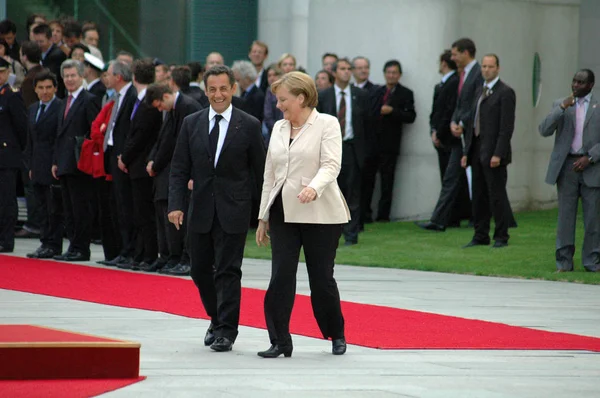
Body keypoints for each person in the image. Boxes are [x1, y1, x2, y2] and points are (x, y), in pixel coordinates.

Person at [168, 65, 266, 352]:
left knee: (228, 271)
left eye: (223, 88)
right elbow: (178, 168)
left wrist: (265, 213)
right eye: (212, 89)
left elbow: (260, 172)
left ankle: (226, 330)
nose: (218, 94)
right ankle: (216, 316)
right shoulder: (192, 123)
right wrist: (175, 204)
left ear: (233, 89)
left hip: (234, 210)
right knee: (199, 270)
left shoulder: (248, 124)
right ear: (205, 90)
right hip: (199, 209)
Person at [256, 71, 350, 358]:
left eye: (283, 99)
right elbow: (269, 175)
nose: (278, 105)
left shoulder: (327, 124)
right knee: (280, 277)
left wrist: (314, 188)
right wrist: (262, 217)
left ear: (302, 97)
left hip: (320, 213)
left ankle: (336, 333)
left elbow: (332, 165)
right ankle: (280, 340)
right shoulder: (278, 129)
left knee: (321, 279)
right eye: (277, 100)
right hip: (284, 212)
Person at [539, 69, 600, 272]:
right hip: (567, 168)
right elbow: (544, 129)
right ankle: (563, 262)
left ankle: (592, 261)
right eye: (574, 81)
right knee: (565, 217)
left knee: (593, 218)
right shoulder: (561, 104)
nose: (575, 85)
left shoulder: (597, 106)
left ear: (590, 85)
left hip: (592, 166)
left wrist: (590, 157)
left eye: (581, 82)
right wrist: (561, 108)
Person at [144, 83, 202, 274]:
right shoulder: (175, 110)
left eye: (159, 105)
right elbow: (164, 139)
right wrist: (153, 160)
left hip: (189, 173)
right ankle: (173, 256)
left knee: (183, 218)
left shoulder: (188, 107)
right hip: (174, 170)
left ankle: (187, 258)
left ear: (166, 96)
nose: (160, 109)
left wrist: (193, 173)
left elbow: (194, 144)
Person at [461, 54, 516, 248]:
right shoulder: (479, 90)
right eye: (483, 66)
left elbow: (506, 127)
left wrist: (498, 154)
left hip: (493, 152)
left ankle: (501, 235)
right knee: (479, 196)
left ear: (498, 68)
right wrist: (467, 152)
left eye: (490, 67)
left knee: (496, 195)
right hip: (477, 151)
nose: (486, 70)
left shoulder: (505, 92)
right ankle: (480, 234)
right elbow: (472, 123)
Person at [317, 58, 370, 245]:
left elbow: (368, 126)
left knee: (353, 194)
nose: (346, 72)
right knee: (330, 191)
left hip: (352, 148)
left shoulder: (361, 95)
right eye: (342, 68)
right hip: (330, 149)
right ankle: (330, 233)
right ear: (334, 72)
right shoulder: (324, 96)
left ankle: (351, 235)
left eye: (349, 69)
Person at [417, 49, 471, 231]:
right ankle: (449, 217)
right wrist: (434, 130)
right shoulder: (445, 84)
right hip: (446, 137)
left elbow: (446, 111)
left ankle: (446, 218)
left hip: (451, 138)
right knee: (451, 178)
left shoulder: (454, 82)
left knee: (453, 178)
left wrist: (438, 133)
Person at [51, 59, 100, 261]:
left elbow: (94, 132)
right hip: (64, 162)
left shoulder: (89, 99)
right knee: (69, 208)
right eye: (66, 76)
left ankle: (81, 247)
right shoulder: (63, 102)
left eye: (73, 75)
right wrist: (55, 161)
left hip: (80, 162)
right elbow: (58, 134)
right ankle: (72, 245)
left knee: (81, 207)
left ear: (81, 76)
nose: (69, 79)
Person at [119, 59, 162, 270]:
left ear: (134, 77)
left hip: (141, 165)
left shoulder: (148, 104)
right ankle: (141, 254)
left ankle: (149, 255)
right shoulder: (140, 100)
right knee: (139, 213)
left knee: (144, 213)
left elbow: (139, 137)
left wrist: (124, 157)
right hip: (137, 165)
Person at [363, 60, 416, 222]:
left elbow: (411, 116)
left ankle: (383, 215)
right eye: (389, 72)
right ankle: (365, 214)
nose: (391, 75)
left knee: (387, 181)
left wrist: (393, 111)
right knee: (368, 179)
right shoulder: (376, 91)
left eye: (394, 73)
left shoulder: (405, 93)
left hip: (390, 144)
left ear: (399, 75)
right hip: (372, 143)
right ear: (384, 73)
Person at [25, 71, 64, 259]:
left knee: (53, 207)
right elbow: (30, 139)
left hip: (52, 165)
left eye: (49, 87)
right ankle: (44, 241)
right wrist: (30, 164)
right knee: (40, 205)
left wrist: (56, 162)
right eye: (41, 88)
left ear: (55, 88)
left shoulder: (60, 107)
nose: (45, 91)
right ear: (35, 89)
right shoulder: (33, 109)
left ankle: (53, 244)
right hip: (37, 164)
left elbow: (59, 138)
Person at [0, 57, 28, 253]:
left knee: (6, 199)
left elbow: (22, 127)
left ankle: (6, 239)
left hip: (6, 155)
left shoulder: (12, 96)